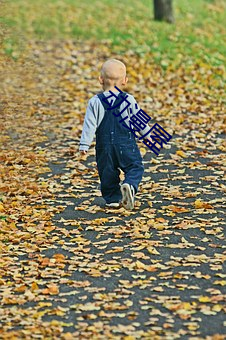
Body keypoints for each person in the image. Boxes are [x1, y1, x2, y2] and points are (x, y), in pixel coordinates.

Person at [79, 59, 152, 210]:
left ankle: (112, 199)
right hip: (126, 143)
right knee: (135, 167)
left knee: (107, 172)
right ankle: (130, 185)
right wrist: (147, 134)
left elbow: (89, 125)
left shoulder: (95, 102)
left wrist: (84, 144)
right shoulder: (128, 100)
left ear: (101, 79)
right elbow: (139, 119)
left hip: (104, 146)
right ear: (125, 81)